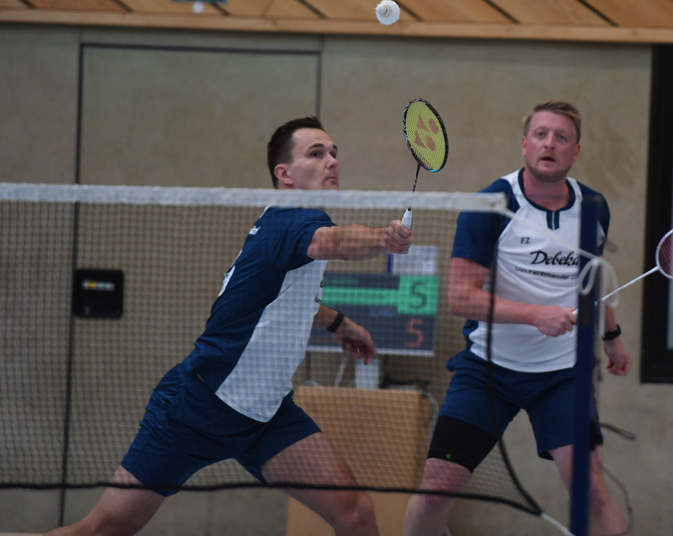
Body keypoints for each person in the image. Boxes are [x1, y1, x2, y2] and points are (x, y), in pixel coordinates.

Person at [48, 116, 412, 536]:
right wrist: (381, 240)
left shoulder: (290, 225)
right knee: (102, 530)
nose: (331, 161)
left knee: (356, 513)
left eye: (333, 153)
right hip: (199, 407)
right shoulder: (289, 223)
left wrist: (338, 322)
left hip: (267, 416)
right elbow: (335, 242)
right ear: (285, 174)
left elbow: (276, 303)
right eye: (316, 153)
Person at [404, 100, 632, 535]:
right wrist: (535, 316)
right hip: (488, 369)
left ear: (575, 151)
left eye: (561, 137)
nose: (550, 143)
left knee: (594, 493)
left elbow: (594, 278)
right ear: (525, 145)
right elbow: (459, 298)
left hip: (563, 374)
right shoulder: (491, 205)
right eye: (541, 134)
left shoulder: (594, 208)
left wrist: (611, 335)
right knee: (436, 489)